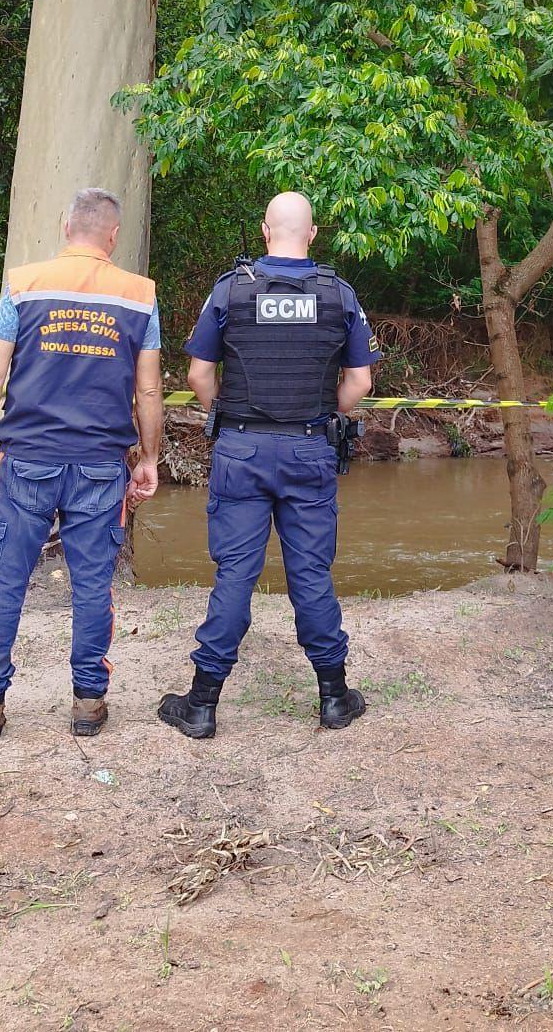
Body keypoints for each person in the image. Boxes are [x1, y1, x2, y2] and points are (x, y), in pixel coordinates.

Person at [158, 191, 381, 738]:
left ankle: (203, 703)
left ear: (264, 231)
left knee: (235, 573)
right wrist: (328, 413)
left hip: (241, 448)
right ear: (311, 235)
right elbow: (360, 382)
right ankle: (333, 697)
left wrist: (222, 415)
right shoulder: (338, 296)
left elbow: (196, 376)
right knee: (311, 573)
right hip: (310, 448)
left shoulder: (231, 290)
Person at [0, 188, 163, 743]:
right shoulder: (140, 295)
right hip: (100, 467)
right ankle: (88, 703)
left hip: (25, 460)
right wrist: (149, 458)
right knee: (94, 587)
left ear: (64, 226)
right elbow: (148, 387)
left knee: (4, 584)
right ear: (113, 236)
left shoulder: (23, 284)